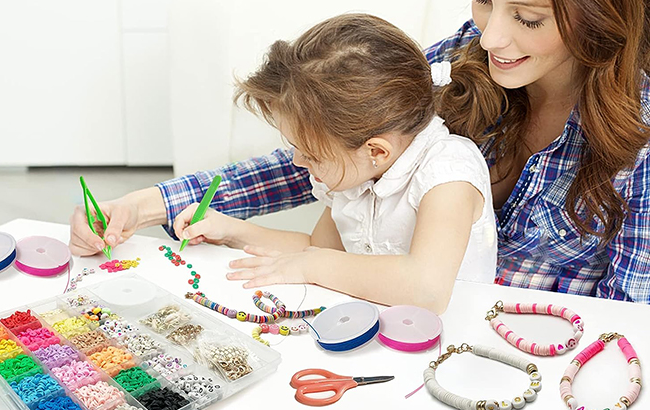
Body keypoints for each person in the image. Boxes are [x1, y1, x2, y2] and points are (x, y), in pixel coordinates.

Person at [70, 0, 650, 303]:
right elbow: (323, 153)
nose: (491, 37)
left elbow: (629, 321)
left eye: (527, 17)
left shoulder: (448, 173)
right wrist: (155, 206)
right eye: (483, 1)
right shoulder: (458, 59)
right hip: (391, 329)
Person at [168, 14, 497, 313]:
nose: (297, 161)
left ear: (376, 151)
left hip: (455, 348)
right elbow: (318, 248)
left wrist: (313, 267)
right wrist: (230, 231)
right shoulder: (357, 172)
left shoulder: (447, 173)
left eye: (311, 154)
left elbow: (426, 290)